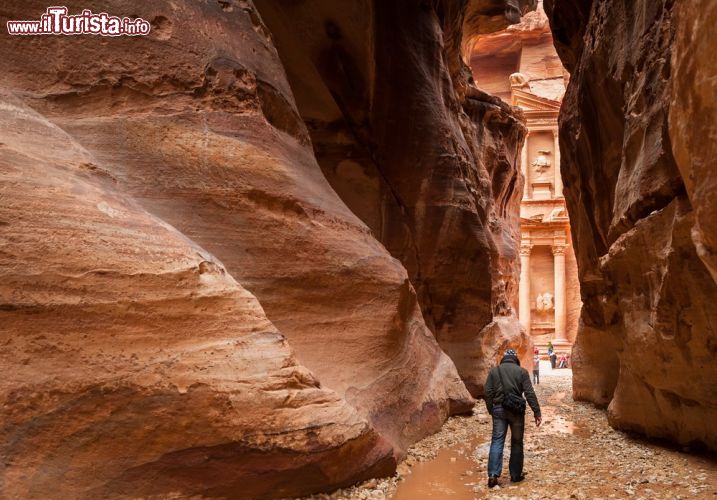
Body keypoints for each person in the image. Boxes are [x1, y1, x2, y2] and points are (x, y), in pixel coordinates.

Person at [484, 349, 542, 488]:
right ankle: (515, 475)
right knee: (517, 442)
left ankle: (493, 474)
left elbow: (488, 392)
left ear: (503, 359)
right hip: (516, 411)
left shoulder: (494, 371)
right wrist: (537, 411)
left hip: (498, 409)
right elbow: (529, 393)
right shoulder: (522, 372)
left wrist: (491, 409)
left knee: (497, 441)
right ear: (515, 359)